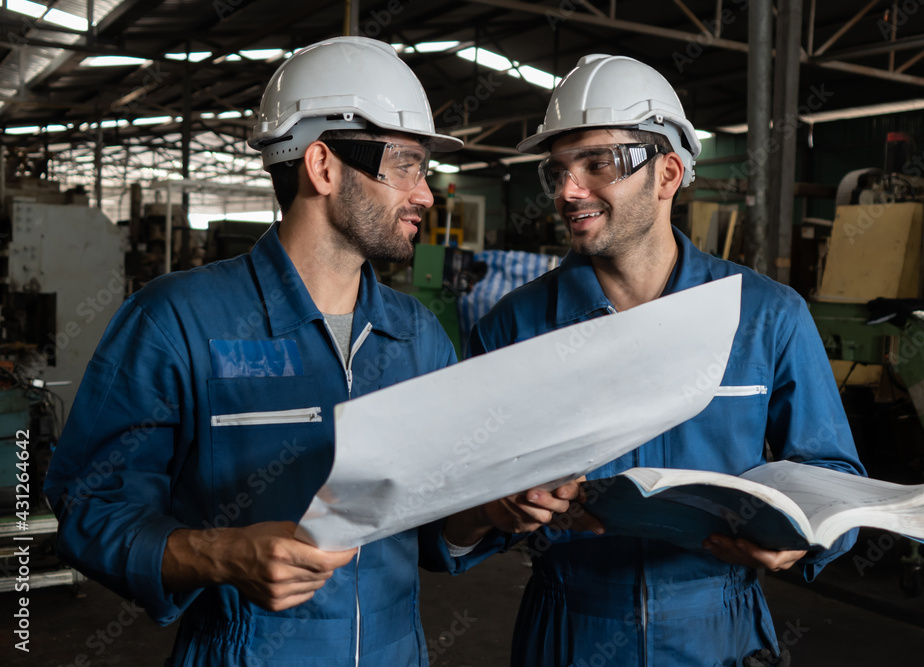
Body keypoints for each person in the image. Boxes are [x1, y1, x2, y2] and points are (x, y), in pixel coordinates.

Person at [425, 54, 866, 667]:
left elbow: (835, 480)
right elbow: (446, 519)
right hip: (569, 626)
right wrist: (495, 509)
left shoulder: (766, 316)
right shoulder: (515, 327)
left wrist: (804, 541)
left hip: (720, 627)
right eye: (558, 171)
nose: (569, 192)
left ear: (667, 174)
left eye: (597, 163)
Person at [44, 36, 467, 666]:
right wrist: (221, 554)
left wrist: (491, 510)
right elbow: (89, 506)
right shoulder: (178, 320)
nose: (425, 195)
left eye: (423, 170)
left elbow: (439, 524)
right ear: (322, 167)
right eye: (405, 164)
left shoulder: (417, 334)